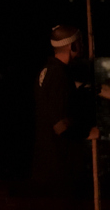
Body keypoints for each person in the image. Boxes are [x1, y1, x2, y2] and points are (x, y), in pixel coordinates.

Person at [31, 25, 99, 194]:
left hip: (45, 160)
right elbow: (60, 125)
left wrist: (81, 94)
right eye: (80, 42)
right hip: (58, 164)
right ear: (73, 46)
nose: (82, 46)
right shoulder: (59, 75)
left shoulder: (47, 70)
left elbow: (53, 104)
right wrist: (87, 133)